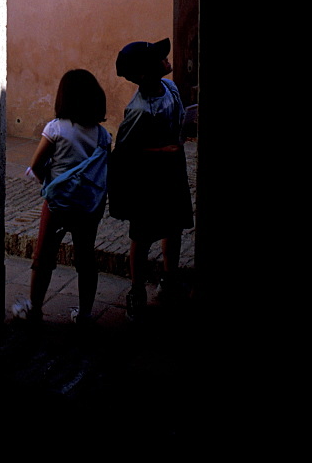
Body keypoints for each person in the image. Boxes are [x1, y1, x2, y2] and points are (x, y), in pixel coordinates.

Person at [14, 69, 112, 329]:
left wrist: (50, 179)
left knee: (43, 256)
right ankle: (85, 314)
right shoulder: (103, 136)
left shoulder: (55, 129)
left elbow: (35, 166)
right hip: (89, 207)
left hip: (58, 205)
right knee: (86, 258)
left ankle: (34, 308)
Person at [108, 38, 193, 322]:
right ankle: (136, 290)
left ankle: (169, 279)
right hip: (149, 180)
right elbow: (124, 151)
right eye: (160, 57)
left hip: (172, 172)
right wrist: (161, 149)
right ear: (145, 73)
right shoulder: (138, 109)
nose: (166, 59)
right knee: (142, 236)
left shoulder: (170, 88)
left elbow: (180, 118)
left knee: (175, 226)